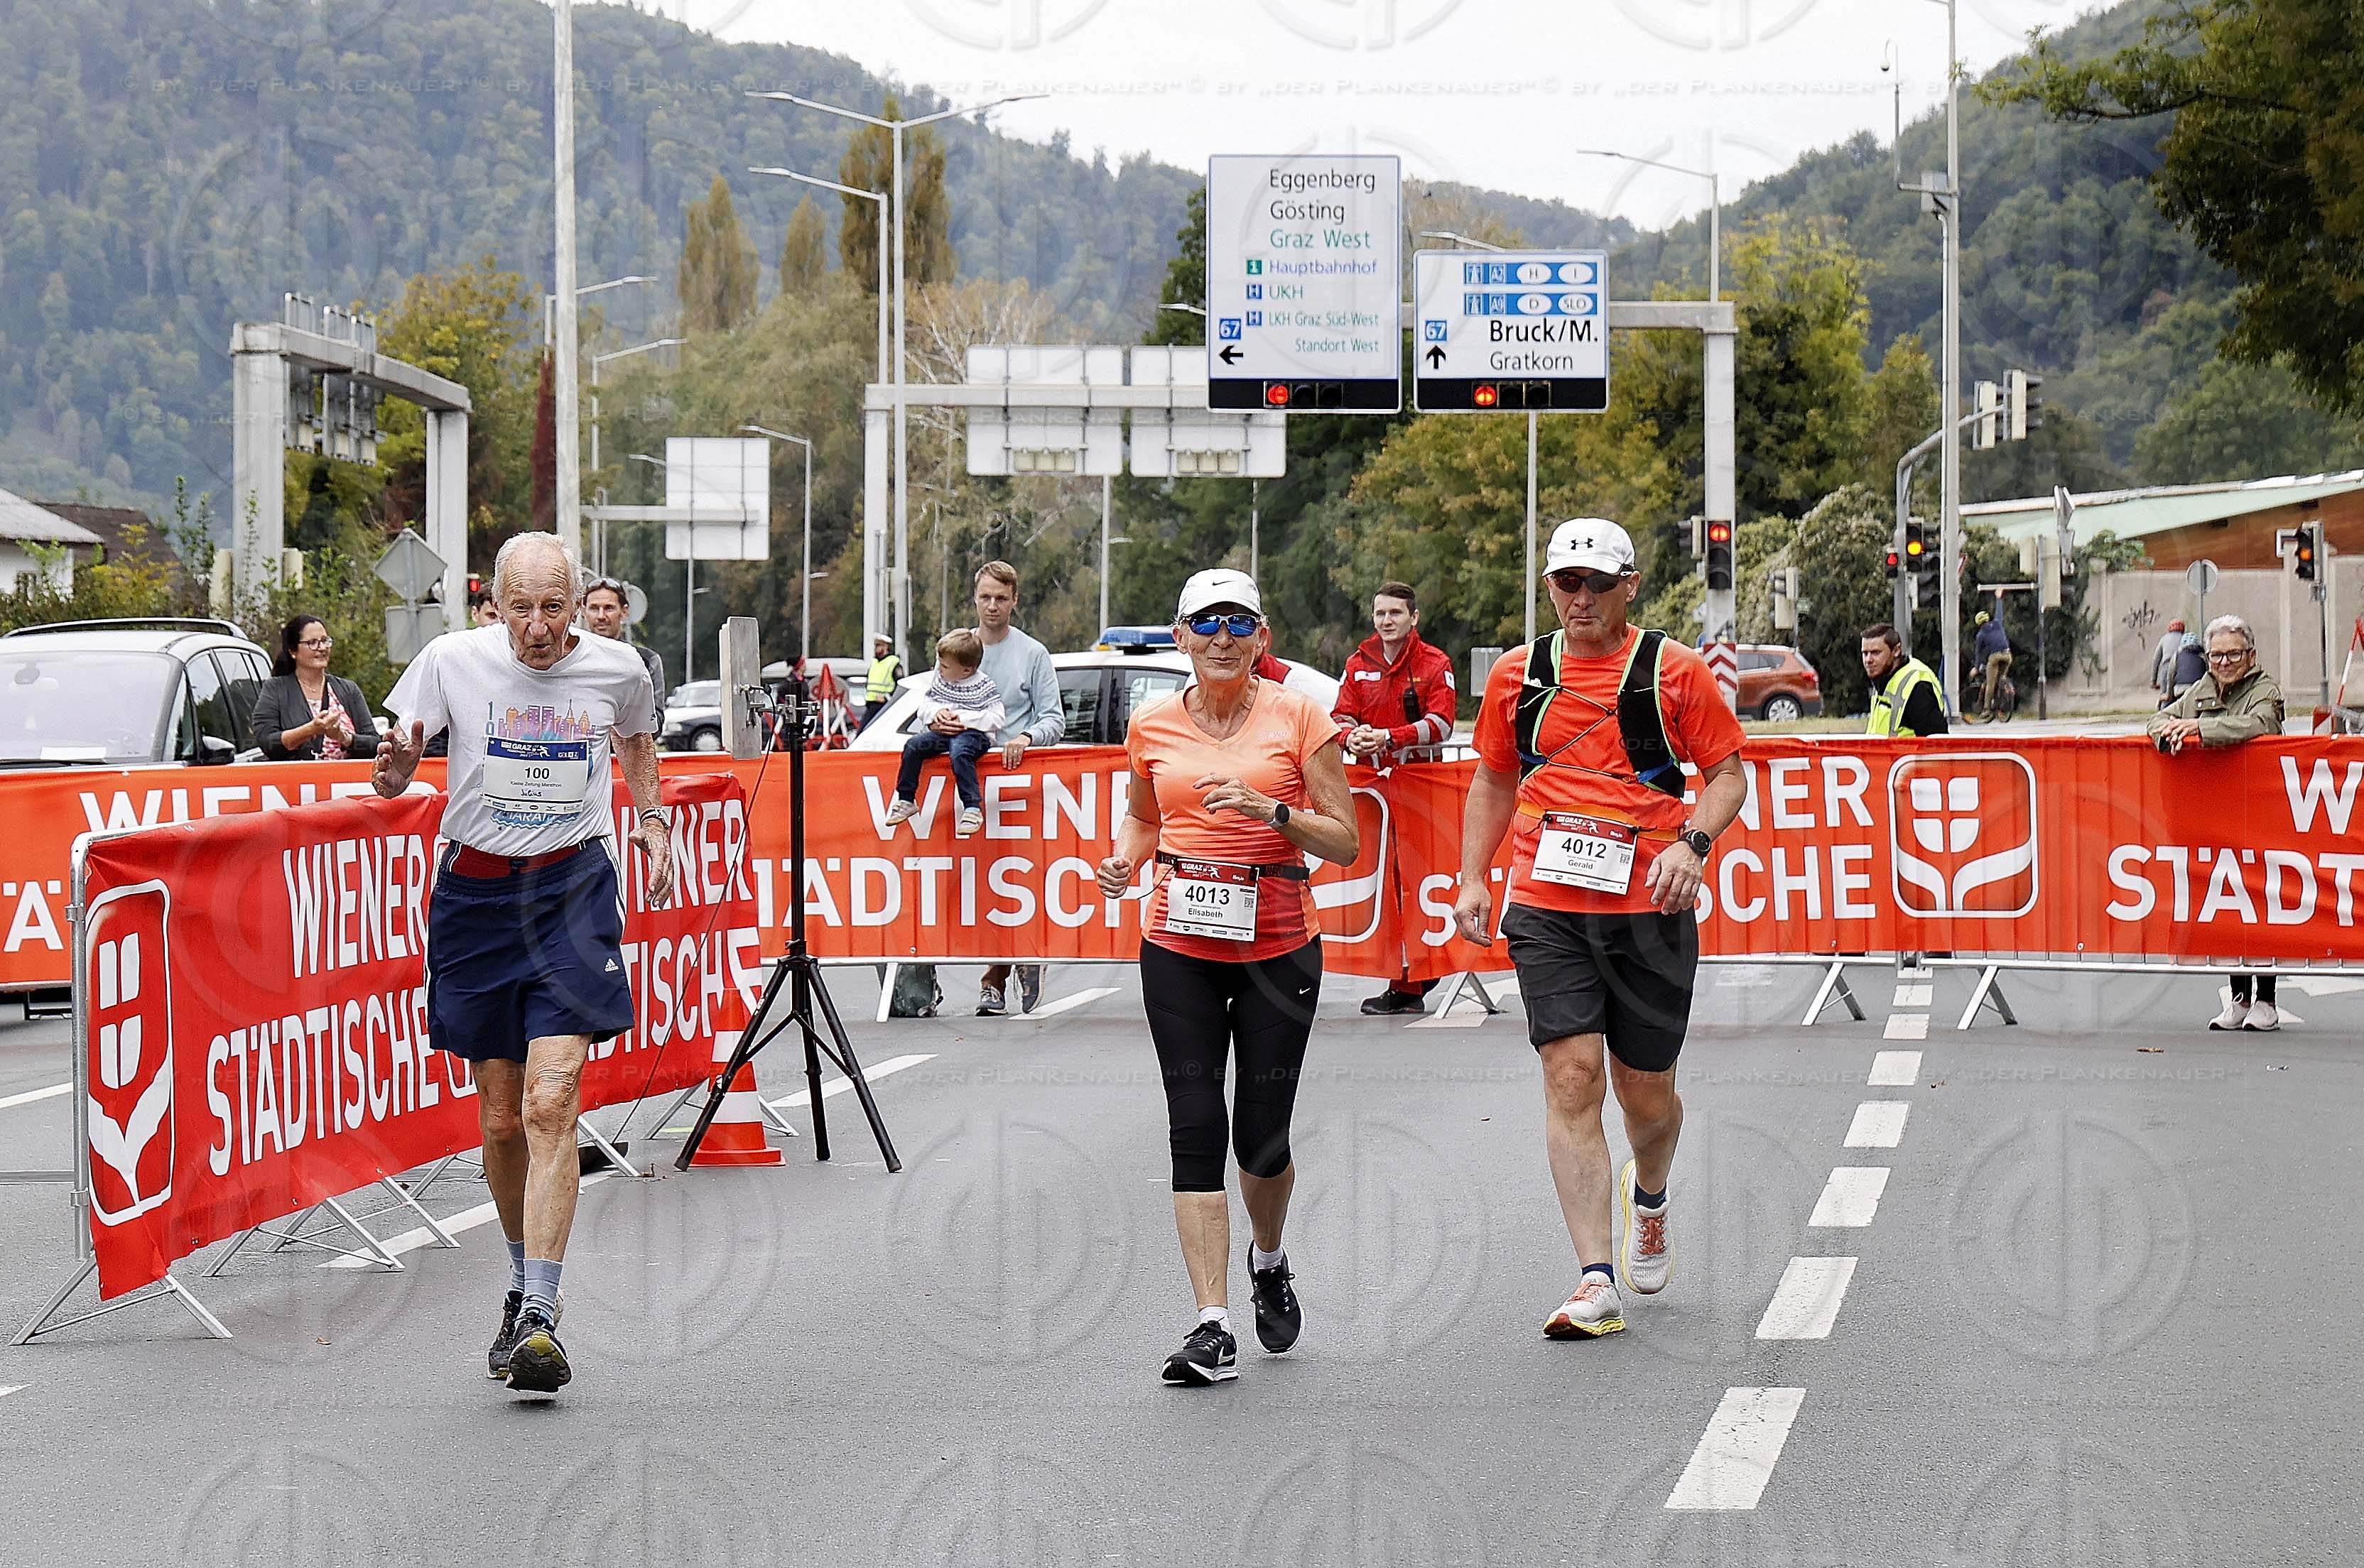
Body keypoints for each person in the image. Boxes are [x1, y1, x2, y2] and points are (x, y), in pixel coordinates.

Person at [372, 532, 674, 1395]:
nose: (537, 630)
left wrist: (650, 821)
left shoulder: (618, 669)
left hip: (572, 888)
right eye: (520, 610)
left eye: (554, 609)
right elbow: (396, 770)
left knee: (552, 1100)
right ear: (491, 605)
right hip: (475, 895)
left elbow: (638, 741)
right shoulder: (448, 660)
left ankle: (542, 1313)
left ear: (578, 605)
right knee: (501, 1116)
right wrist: (395, 772)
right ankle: (518, 1282)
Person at [1451, 518, 1747, 1341]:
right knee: (1572, 1078)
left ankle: (1647, 1195)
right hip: (1546, 904)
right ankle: (1594, 1277)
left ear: (1630, 586)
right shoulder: (1519, 675)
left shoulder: (1673, 671)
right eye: (1564, 583)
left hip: (1648, 905)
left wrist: (1694, 843)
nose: (1579, 598)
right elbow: (1493, 778)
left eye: (1595, 584)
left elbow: (1726, 776)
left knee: (1644, 1094)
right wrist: (1473, 875)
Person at [1095, 567, 1360, 1385]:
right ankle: (1211, 1324)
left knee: (1261, 1139)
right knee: (1193, 1127)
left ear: (1262, 637)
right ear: (1178, 637)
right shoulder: (1151, 724)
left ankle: (1270, 1258)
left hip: (1278, 948)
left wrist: (1267, 809)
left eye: (1237, 624)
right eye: (1205, 624)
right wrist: (1123, 860)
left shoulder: (1300, 717)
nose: (1221, 638)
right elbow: (1145, 816)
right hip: (1178, 943)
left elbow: (1344, 841)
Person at [2147, 614, 2287, 1032]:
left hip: (2261, 813)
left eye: (2233, 654)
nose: (2225, 662)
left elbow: (2259, 726)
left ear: (2251, 655)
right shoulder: (2200, 689)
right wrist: (2169, 733)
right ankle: (2239, 999)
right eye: (2217, 655)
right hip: (2215, 815)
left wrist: (2199, 729)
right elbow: (2159, 717)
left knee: (2262, 905)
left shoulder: (2265, 691)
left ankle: (2268, 999)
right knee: (2229, 905)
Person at [1331, 580, 1457, 1016]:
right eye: (1381, 613)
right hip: (1373, 794)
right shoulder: (1357, 662)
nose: (1387, 621)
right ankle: (1404, 975)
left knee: (1419, 883)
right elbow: (1339, 716)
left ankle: (1412, 980)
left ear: (1413, 618)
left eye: (1396, 614)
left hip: (1420, 792)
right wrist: (1353, 738)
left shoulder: (1434, 662)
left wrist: (1389, 736)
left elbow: (1441, 724)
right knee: (1385, 887)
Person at [972, 561, 1065, 1017]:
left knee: (1011, 881)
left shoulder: (1033, 654)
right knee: (970, 882)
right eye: (986, 597)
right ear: (976, 599)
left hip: (1019, 787)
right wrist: (940, 722)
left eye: (1001, 598)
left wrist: (1026, 737)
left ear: (1014, 602)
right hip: (968, 785)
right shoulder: (959, 648)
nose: (993, 606)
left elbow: (1054, 718)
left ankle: (998, 974)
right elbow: (935, 699)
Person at [884, 629, 1002, 837]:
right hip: (944, 733)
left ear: (966, 670)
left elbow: (997, 718)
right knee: (914, 745)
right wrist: (936, 714)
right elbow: (926, 706)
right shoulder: (941, 681)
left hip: (974, 735)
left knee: (959, 752)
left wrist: (963, 720)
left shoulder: (984, 686)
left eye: (945, 666)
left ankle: (972, 807)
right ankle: (906, 798)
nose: (940, 670)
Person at [250, 614, 381, 761]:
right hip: (297, 782)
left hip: (344, 782)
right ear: (293, 651)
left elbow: (375, 744)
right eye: (312, 643)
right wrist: (310, 730)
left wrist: (343, 737)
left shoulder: (348, 690)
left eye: (325, 641)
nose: (322, 648)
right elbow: (267, 741)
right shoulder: (276, 689)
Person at [582, 577, 664, 697]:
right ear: (584, 612)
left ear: (624, 612)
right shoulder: (571, 659)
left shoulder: (646, 661)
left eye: (609, 608)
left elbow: (655, 714)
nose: (601, 616)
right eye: (594, 608)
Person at [1860, 624, 1948, 736]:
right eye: (1865, 653)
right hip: (1887, 754)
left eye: (1876, 653)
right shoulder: (1882, 679)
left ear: (1896, 651)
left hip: (1906, 754)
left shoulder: (1917, 685)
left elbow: (1936, 743)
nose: (1868, 660)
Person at [1973, 610, 2013, 717]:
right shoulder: (1997, 624)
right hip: (2007, 655)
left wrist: (1976, 667)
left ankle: (1987, 709)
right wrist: (1999, 598)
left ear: (1978, 623)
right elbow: (1999, 611)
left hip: (1995, 657)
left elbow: (1978, 653)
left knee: (1990, 684)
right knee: (2001, 678)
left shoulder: (1981, 635)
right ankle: (2005, 690)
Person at [863, 633, 904, 731]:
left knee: (863, 732)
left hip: (884, 705)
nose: (875, 648)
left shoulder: (893, 662)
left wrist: (887, 697)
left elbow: (900, 684)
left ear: (886, 647)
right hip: (871, 704)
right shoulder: (875, 663)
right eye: (875, 646)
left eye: (878, 646)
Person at [2150, 617, 2186, 707]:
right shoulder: (2184, 639)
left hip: (2166, 668)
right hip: (2180, 668)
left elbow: (2156, 660)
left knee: (2166, 697)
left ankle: (2162, 717)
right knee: (2180, 697)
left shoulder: (2164, 639)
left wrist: (2153, 681)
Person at [2171, 628, 2207, 700]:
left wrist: (2169, 694)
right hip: (2198, 688)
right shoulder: (2203, 656)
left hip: (2180, 689)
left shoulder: (2177, 655)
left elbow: (2171, 675)